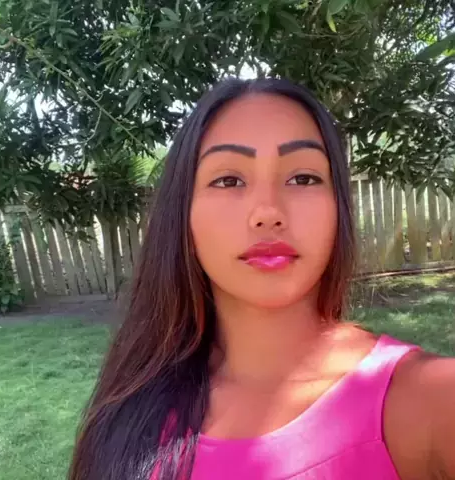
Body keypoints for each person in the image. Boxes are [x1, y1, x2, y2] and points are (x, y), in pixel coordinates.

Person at [68, 78, 455, 480]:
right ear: (182, 214)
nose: (268, 212)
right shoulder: (132, 400)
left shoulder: (430, 402)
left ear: (338, 207)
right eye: (229, 180)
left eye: (303, 178)